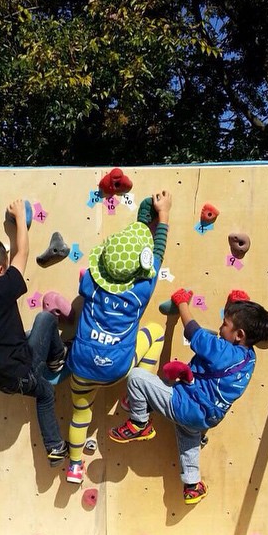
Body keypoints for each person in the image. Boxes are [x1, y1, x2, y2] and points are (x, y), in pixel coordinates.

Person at [109, 290, 268, 505]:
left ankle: (139, 422)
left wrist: (182, 305)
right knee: (188, 440)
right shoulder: (249, 358)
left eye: (225, 324)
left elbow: (194, 333)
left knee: (136, 378)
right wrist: (235, 305)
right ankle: (192, 485)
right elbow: (226, 346)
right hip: (207, 417)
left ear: (240, 334)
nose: (220, 327)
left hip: (187, 404)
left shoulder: (222, 350)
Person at [64, 191, 172, 484]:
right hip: (117, 369)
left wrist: (142, 222)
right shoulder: (142, 291)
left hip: (82, 366)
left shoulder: (90, 284)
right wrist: (162, 218)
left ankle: (74, 466)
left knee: (79, 411)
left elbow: (108, 263)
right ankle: (130, 396)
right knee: (156, 332)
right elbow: (158, 255)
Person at [0, 199, 68, 467]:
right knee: (45, 321)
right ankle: (54, 447)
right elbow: (23, 252)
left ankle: (52, 360)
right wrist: (20, 217)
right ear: (0, 271)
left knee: (31, 333)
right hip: (20, 373)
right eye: (4, 268)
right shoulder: (1, 288)